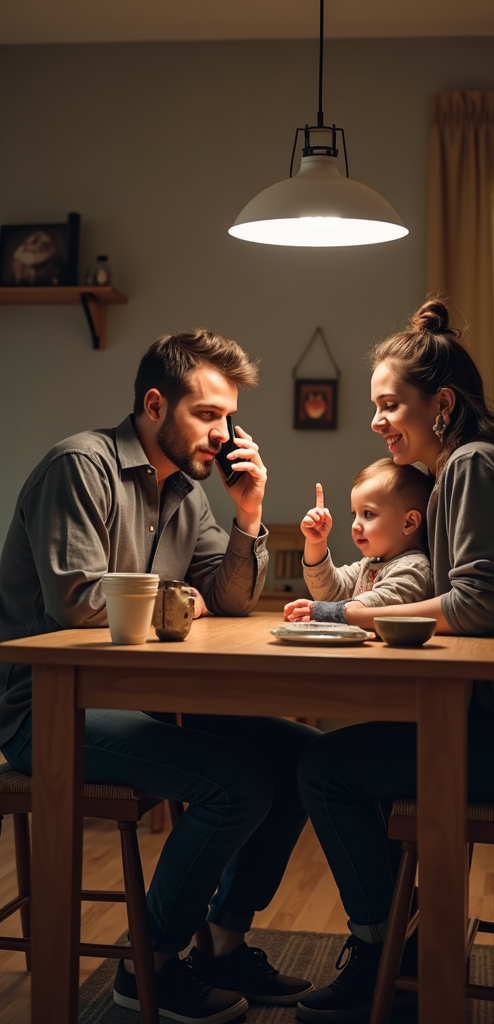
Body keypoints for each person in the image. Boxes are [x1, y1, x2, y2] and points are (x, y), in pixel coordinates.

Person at [0, 329, 317, 1024]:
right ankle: (150, 967)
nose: (222, 433)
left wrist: (250, 514)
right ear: (154, 404)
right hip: (47, 712)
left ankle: (224, 946)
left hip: (142, 701)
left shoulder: (186, 493)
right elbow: (80, 602)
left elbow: (229, 599)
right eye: (207, 414)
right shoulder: (79, 468)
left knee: (303, 759)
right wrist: (179, 597)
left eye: (228, 417)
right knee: (237, 782)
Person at [294, 300, 494, 1023]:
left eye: (390, 404)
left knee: (325, 769)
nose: (378, 420)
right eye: (376, 406)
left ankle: (380, 956)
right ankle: (401, 950)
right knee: (357, 763)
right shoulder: (472, 467)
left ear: (441, 405)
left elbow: (476, 604)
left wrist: (350, 613)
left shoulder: (470, 468)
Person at [284, 461, 433, 625]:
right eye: (354, 514)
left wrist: (323, 612)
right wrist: (316, 542)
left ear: (409, 523)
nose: (355, 525)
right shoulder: (370, 564)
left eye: (368, 514)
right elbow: (329, 591)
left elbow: (376, 604)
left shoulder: (414, 568)